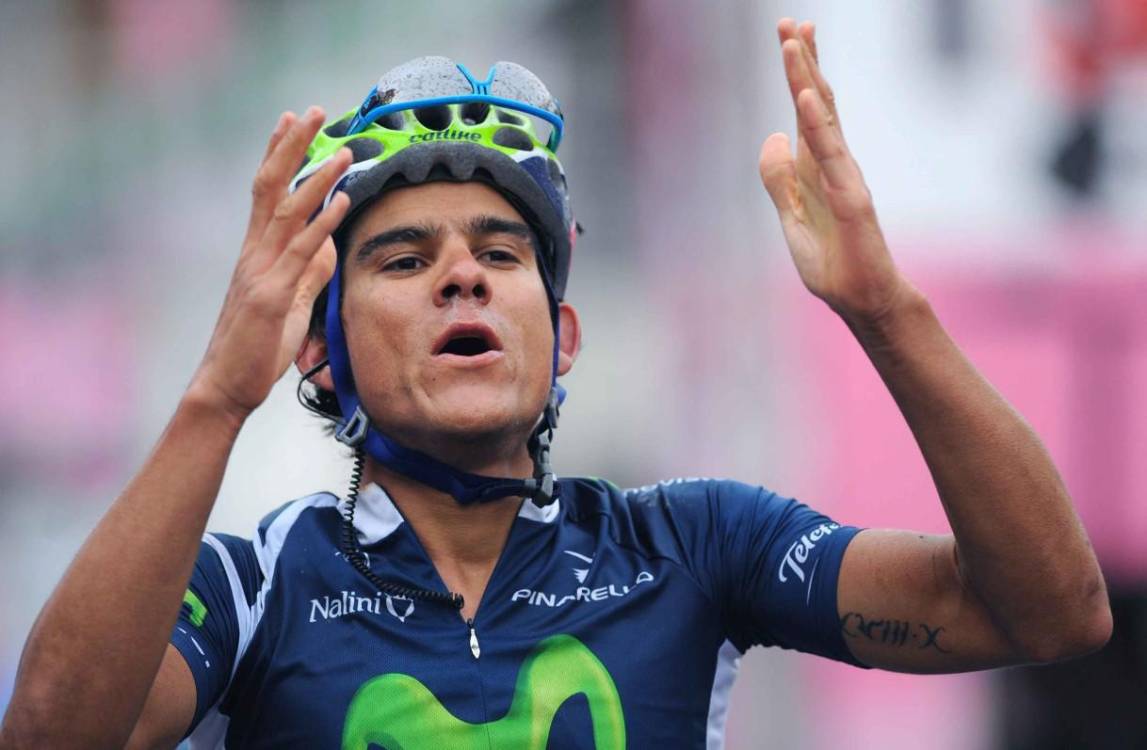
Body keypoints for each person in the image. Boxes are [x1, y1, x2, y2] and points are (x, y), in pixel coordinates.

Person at [0, 19, 1111, 750]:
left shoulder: (693, 545)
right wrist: (216, 397)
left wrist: (885, 310)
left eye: (500, 251)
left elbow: (1050, 611)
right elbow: (51, 735)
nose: (462, 276)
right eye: (404, 260)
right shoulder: (256, 585)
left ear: (562, 335)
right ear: (317, 351)